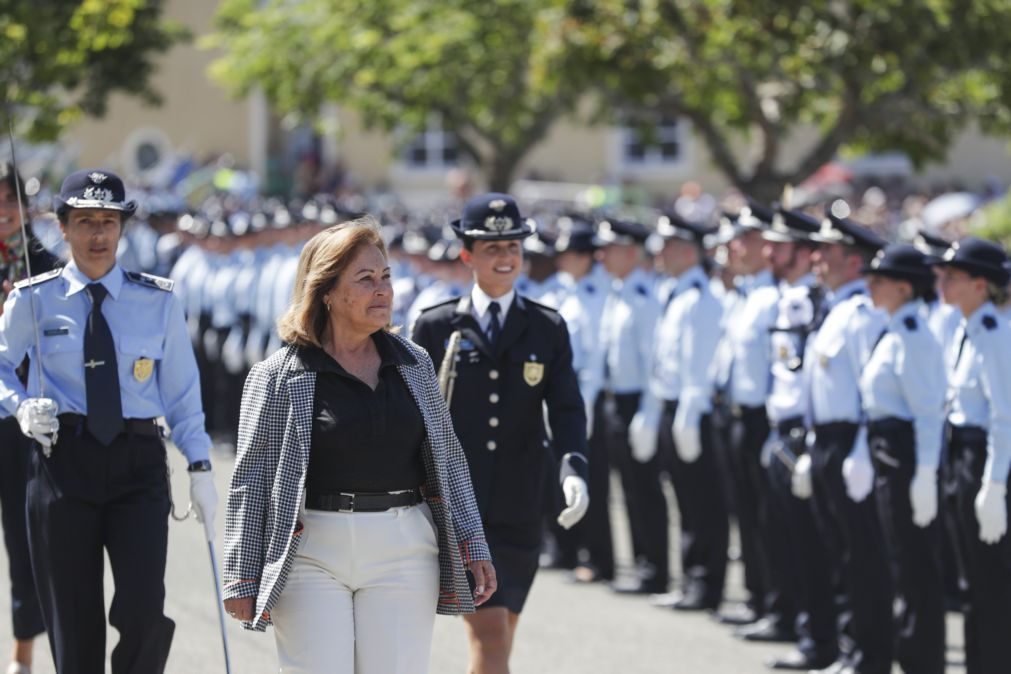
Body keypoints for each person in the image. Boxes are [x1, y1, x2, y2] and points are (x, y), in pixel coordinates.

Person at [222, 217, 496, 674]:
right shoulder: (276, 375)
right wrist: (241, 571)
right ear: (326, 292)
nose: (383, 290)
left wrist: (473, 540)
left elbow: (449, 458)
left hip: (404, 550)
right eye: (365, 279)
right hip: (311, 553)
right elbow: (251, 480)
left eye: (386, 277)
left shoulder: (414, 362)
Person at [0, 169, 218, 674]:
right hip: (62, 463)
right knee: (73, 627)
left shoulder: (157, 299)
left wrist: (201, 465)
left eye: (108, 222)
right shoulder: (34, 297)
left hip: (136, 464)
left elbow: (182, 394)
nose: (97, 235)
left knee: (143, 611)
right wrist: (20, 407)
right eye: (84, 222)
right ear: (63, 228)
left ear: (122, 228)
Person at [411, 193, 589, 674]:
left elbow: (567, 407)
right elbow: (412, 416)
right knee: (490, 634)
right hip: (461, 507)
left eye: (513, 246)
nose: (505, 257)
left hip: (522, 504)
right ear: (467, 255)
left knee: (500, 634)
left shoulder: (547, 328)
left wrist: (574, 468)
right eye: (492, 248)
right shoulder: (436, 326)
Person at [803, 207, 894, 674]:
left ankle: (870, 656)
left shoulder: (862, 314)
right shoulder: (835, 309)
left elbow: (869, 392)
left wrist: (860, 448)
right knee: (838, 553)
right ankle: (849, 649)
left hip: (851, 444)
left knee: (863, 557)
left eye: (828, 251)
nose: (816, 257)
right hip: (826, 441)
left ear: (855, 262)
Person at [859, 244, 946, 673]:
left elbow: (928, 411)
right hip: (886, 451)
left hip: (905, 455)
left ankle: (922, 662)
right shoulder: (894, 327)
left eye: (878, 281)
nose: (869, 287)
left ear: (903, 287)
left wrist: (926, 472)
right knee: (899, 561)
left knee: (915, 567)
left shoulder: (913, 334)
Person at [636, 213, 727, 613]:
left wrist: (689, 413)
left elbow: (698, 364)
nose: (661, 254)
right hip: (673, 407)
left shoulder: (700, 299)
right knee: (685, 499)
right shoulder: (674, 293)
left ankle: (707, 584)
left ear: (689, 251)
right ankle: (691, 579)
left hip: (695, 411)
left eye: (670, 247)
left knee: (704, 502)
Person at [931, 237, 1011, 674]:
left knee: (993, 583)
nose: (943, 283)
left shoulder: (996, 336)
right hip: (961, 456)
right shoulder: (966, 328)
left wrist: (995, 485)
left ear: (981, 285)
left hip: (983, 461)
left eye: (954, 277)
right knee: (972, 583)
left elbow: (1005, 416)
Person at [0, 163, 58, 674]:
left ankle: (24, 650)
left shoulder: (44, 265)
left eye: (6, 201)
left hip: (20, 415)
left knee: (24, 535)